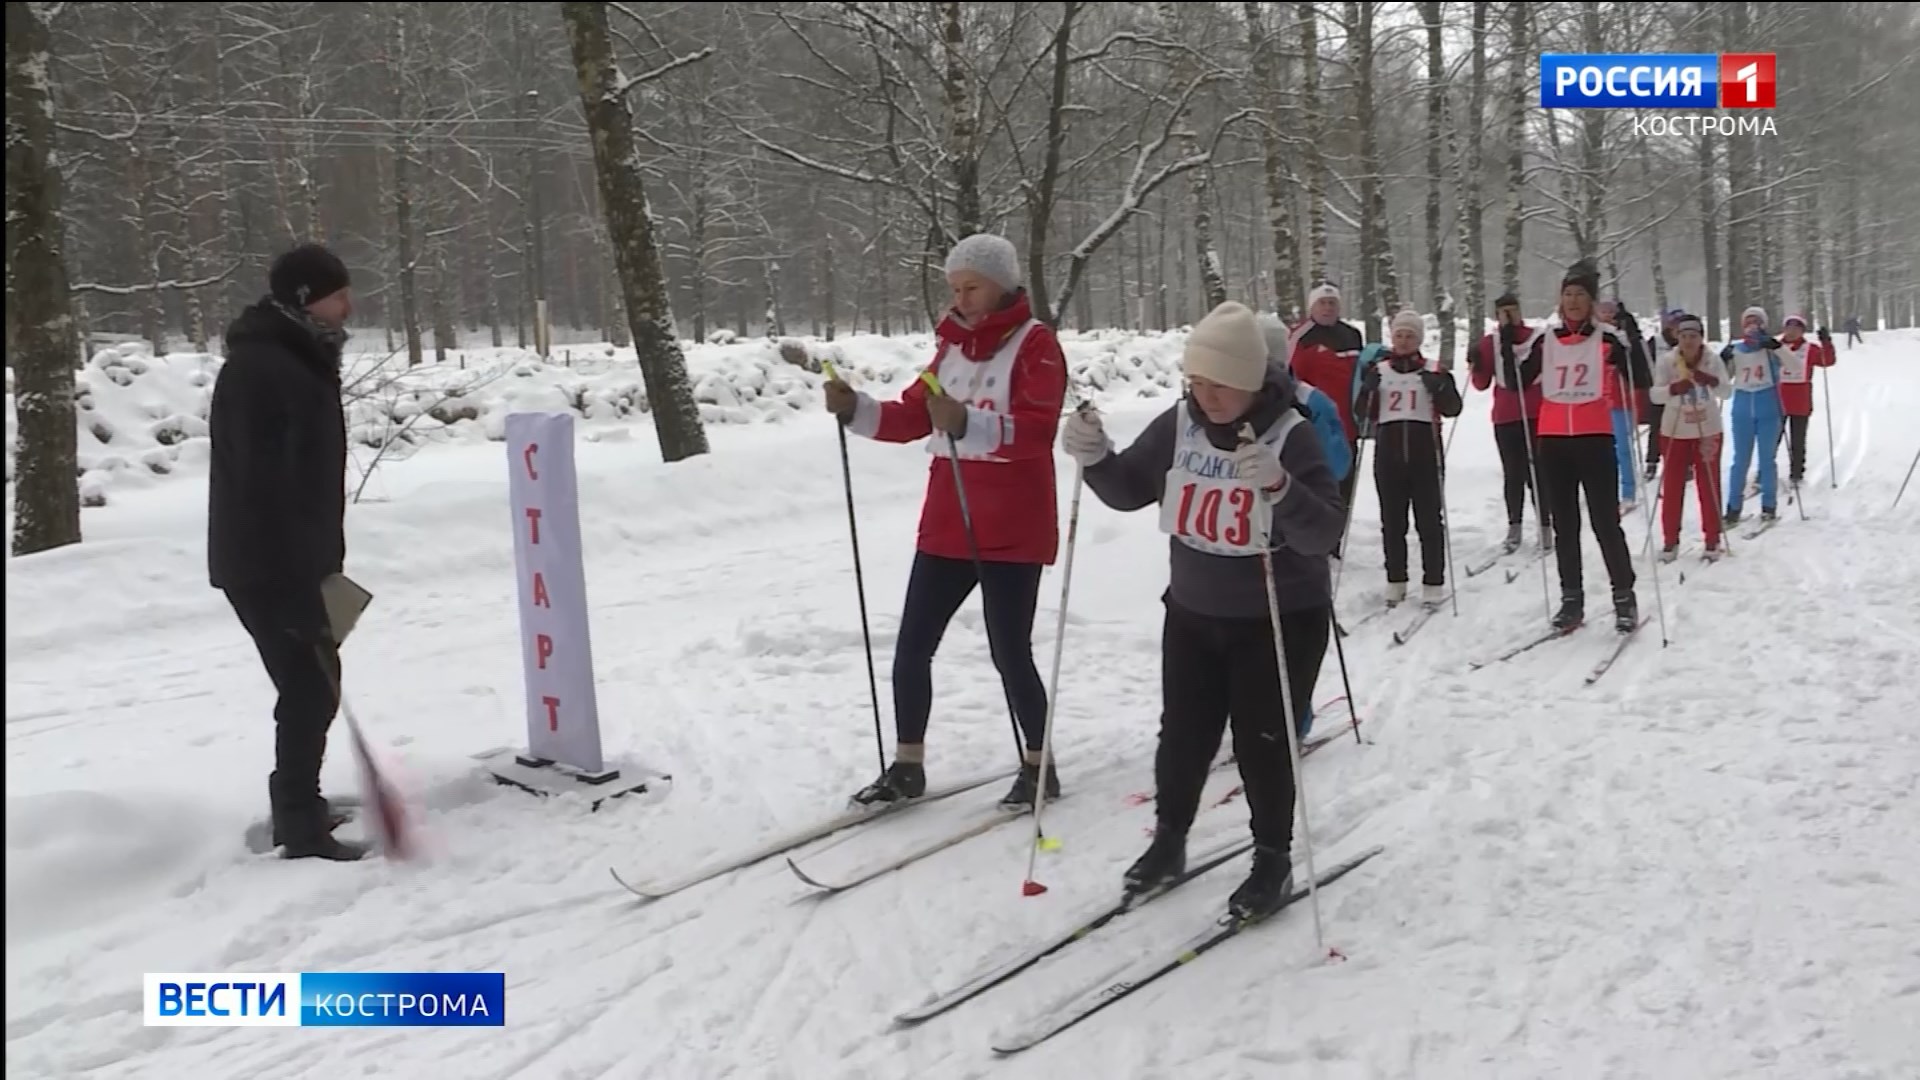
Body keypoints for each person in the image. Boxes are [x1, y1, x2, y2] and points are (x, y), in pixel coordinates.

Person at [1059, 301, 1345, 920]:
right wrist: (1095, 456)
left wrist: (1279, 488)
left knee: (1262, 743)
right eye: (1196, 380)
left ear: (1250, 379)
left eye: (1219, 382)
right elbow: (1131, 487)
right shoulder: (1180, 423)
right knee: (1183, 736)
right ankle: (1169, 842)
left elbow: (1324, 533)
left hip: (1278, 616)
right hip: (1192, 610)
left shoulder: (1289, 434)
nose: (1206, 394)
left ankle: (1272, 860)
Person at [824, 233, 1068, 810]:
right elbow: (914, 413)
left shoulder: (1037, 345)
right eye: (955, 288)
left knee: (1010, 649)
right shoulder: (951, 347)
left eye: (972, 286)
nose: (962, 298)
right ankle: (907, 764)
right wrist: (857, 407)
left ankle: (1039, 765)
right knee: (912, 645)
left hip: (1013, 522)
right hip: (948, 519)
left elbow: (1036, 431)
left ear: (1002, 284)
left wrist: (966, 422)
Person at [208, 243, 366, 861]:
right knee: (308, 686)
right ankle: (298, 826)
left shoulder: (299, 357)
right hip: (271, 563)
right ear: (305, 299)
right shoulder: (263, 368)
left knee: (317, 680)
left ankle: (303, 802)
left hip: (303, 559)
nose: (349, 304)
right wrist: (300, 578)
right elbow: (260, 482)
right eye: (337, 293)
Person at [1500, 259, 1648, 633]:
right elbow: (1518, 383)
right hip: (1553, 443)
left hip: (1594, 440)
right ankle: (1571, 599)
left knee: (1604, 522)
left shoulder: (1607, 338)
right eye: (1567, 295)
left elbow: (1640, 377)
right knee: (1564, 524)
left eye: (1580, 295)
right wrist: (1505, 342)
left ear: (1592, 301)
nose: (1573, 301)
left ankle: (1623, 596)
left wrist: (1631, 335)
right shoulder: (1546, 339)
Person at [1353, 309, 1461, 607]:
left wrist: (1439, 388)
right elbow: (1362, 413)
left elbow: (1454, 408)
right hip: (1388, 455)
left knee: (1428, 520)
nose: (1403, 341)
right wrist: (1367, 392)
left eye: (1409, 336)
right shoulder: (1379, 371)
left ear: (1418, 340)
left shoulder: (1434, 370)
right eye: (1399, 335)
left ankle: (1433, 581)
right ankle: (1396, 579)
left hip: (1425, 455)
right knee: (1392, 521)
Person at [1648, 313, 1731, 560]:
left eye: (1693, 336)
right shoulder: (1667, 361)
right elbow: (1655, 395)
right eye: (1683, 336)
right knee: (1672, 486)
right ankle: (1670, 540)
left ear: (1701, 338)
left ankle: (1712, 540)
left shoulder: (1712, 360)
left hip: (1707, 431)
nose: (1688, 341)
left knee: (1708, 485)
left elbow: (1727, 392)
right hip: (1674, 430)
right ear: (1677, 337)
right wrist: (1673, 389)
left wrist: (1711, 381)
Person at [1471, 291, 1547, 553]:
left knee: (1538, 473)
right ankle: (1514, 527)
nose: (1508, 317)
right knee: (1513, 474)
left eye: (1512, 311)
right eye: (1503, 312)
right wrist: (1477, 364)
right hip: (1505, 416)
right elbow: (1480, 384)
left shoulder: (1537, 337)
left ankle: (1546, 526)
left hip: (1536, 413)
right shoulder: (1489, 343)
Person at [1283, 282, 1365, 513]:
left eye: (1332, 303)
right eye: (1322, 303)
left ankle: (1335, 546)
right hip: (1310, 427)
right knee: (1311, 493)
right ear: (1312, 307)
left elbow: (1359, 377)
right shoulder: (1298, 336)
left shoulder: (1352, 335)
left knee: (1341, 494)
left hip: (1346, 427)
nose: (1328, 308)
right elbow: (1286, 378)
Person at [1717, 306, 1786, 524]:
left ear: (1764, 324)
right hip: (1742, 410)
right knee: (1740, 461)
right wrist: (1723, 360)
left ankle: (1769, 506)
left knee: (1767, 460)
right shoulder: (1736, 348)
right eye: (1748, 321)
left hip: (1769, 409)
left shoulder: (1770, 348)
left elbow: (1795, 365)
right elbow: (1723, 381)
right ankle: (1733, 508)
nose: (1752, 325)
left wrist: (1778, 348)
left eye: (1756, 321)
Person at [1595, 298, 1650, 517]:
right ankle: (1606, 491)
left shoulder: (1624, 337)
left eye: (1611, 312)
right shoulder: (1595, 336)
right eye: (1603, 311)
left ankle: (1628, 492)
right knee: (1602, 450)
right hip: (1598, 402)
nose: (1607, 315)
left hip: (1621, 400)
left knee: (1623, 448)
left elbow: (1638, 363)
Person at [1771, 315, 1836, 487]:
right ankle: (1765, 470)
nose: (1792, 332)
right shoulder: (1774, 346)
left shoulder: (1810, 348)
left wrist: (1826, 342)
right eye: (1789, 328)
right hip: (1776, 399)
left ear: (1802, 331)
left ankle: (1797, 473)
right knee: (1771, 438)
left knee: (1798, 440)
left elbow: (1827, 361)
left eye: (1796, 329)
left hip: (1800, 400)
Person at [1644, 309, 1684, 481]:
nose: (1677, 328)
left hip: (1681, 392)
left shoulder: (1687, 341)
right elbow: (1645, 361)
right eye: (1674, 324)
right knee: (1657, 428)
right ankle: (1652, 462)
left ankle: (1682, 463)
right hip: (1659, 390)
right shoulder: (1657, 341)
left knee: (1680, 428)